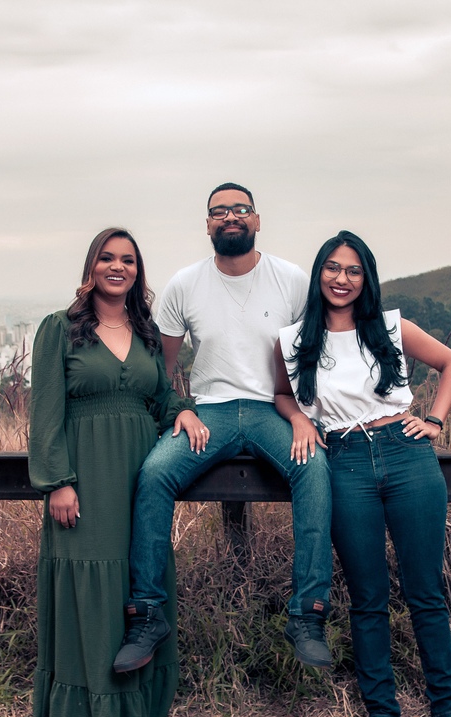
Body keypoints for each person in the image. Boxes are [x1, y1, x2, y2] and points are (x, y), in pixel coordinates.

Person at [274, 230, 451, 717]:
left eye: (353, 270)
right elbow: (280, 393)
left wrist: (434, 418)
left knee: (424, 591)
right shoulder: (295, 339)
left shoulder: (391, 327)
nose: (341, 279)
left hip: (406, 452)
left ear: (365, 278)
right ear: (318, 272)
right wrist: (299, 417)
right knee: (367, 598)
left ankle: (449, 711)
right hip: (342, 462)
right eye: (332, 268)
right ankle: (381, 715)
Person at [112, 182, 334, 674]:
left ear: (257, 220)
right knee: (154, 475)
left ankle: (308, 615)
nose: (230, 216)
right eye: (219, 212)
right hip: (208, 412)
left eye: (240, 209)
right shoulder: (185, 284)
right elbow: (162, 372)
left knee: (315, 468)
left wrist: (302, 415)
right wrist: (179, 411)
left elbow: (312, 357)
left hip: (272, 410)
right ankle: (147, 615)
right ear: (207, 224)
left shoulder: (291, 280)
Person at [28, 227, 206, 717]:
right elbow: (45, 412)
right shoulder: (60, 329)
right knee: (91, 590)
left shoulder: (147, 331)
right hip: (85, 477)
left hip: (140, 477)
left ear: (137, 272)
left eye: (128, 260)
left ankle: (134, 716)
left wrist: (184, 410)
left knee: (136, 581)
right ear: (91, 267)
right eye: (107, 257)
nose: (118, 266)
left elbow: (161, 398)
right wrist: (58, 480)